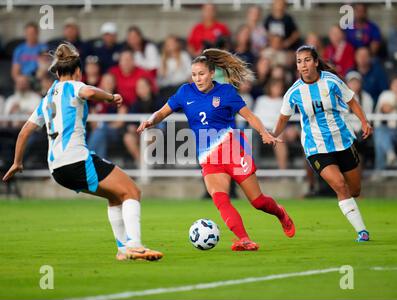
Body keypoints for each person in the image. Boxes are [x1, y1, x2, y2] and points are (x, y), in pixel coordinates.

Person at [2, 43, 163, 262]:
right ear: (78, 71)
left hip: (57, 169)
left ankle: (122, 249)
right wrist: (110, 97)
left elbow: (24, 132)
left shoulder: (47, 98)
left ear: (57, 72)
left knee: (115, 195)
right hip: (76, 159)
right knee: (132, 191)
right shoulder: (74, 86)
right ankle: (135, 245)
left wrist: (17, 162)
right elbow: (88, 91)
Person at [137, 48, 295, 251]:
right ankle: (244, 239)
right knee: (220, 198)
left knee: (258, 201)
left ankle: (281, 214)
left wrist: (264, 132)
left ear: (212, 73)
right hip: (208, 155)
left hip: (232, 149)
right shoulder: (185, 92)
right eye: (194, 75)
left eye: (201, 74)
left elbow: (250, 116)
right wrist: (151, 121)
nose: (198, 79)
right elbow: (162, 112)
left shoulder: (226, 92)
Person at [273, 45, 373, 242]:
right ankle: (362, 232)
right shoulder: (294, 92)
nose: (303, 65)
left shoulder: (332, 81)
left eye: (307, 60)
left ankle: (351, 209)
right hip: (316, 147)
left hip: (342, 140)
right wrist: (273, 135)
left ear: (316, 62)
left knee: (355, 190)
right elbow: (284, 118)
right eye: (299, 61)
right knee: (340, 187)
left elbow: (352, 101)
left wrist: (364, 121)